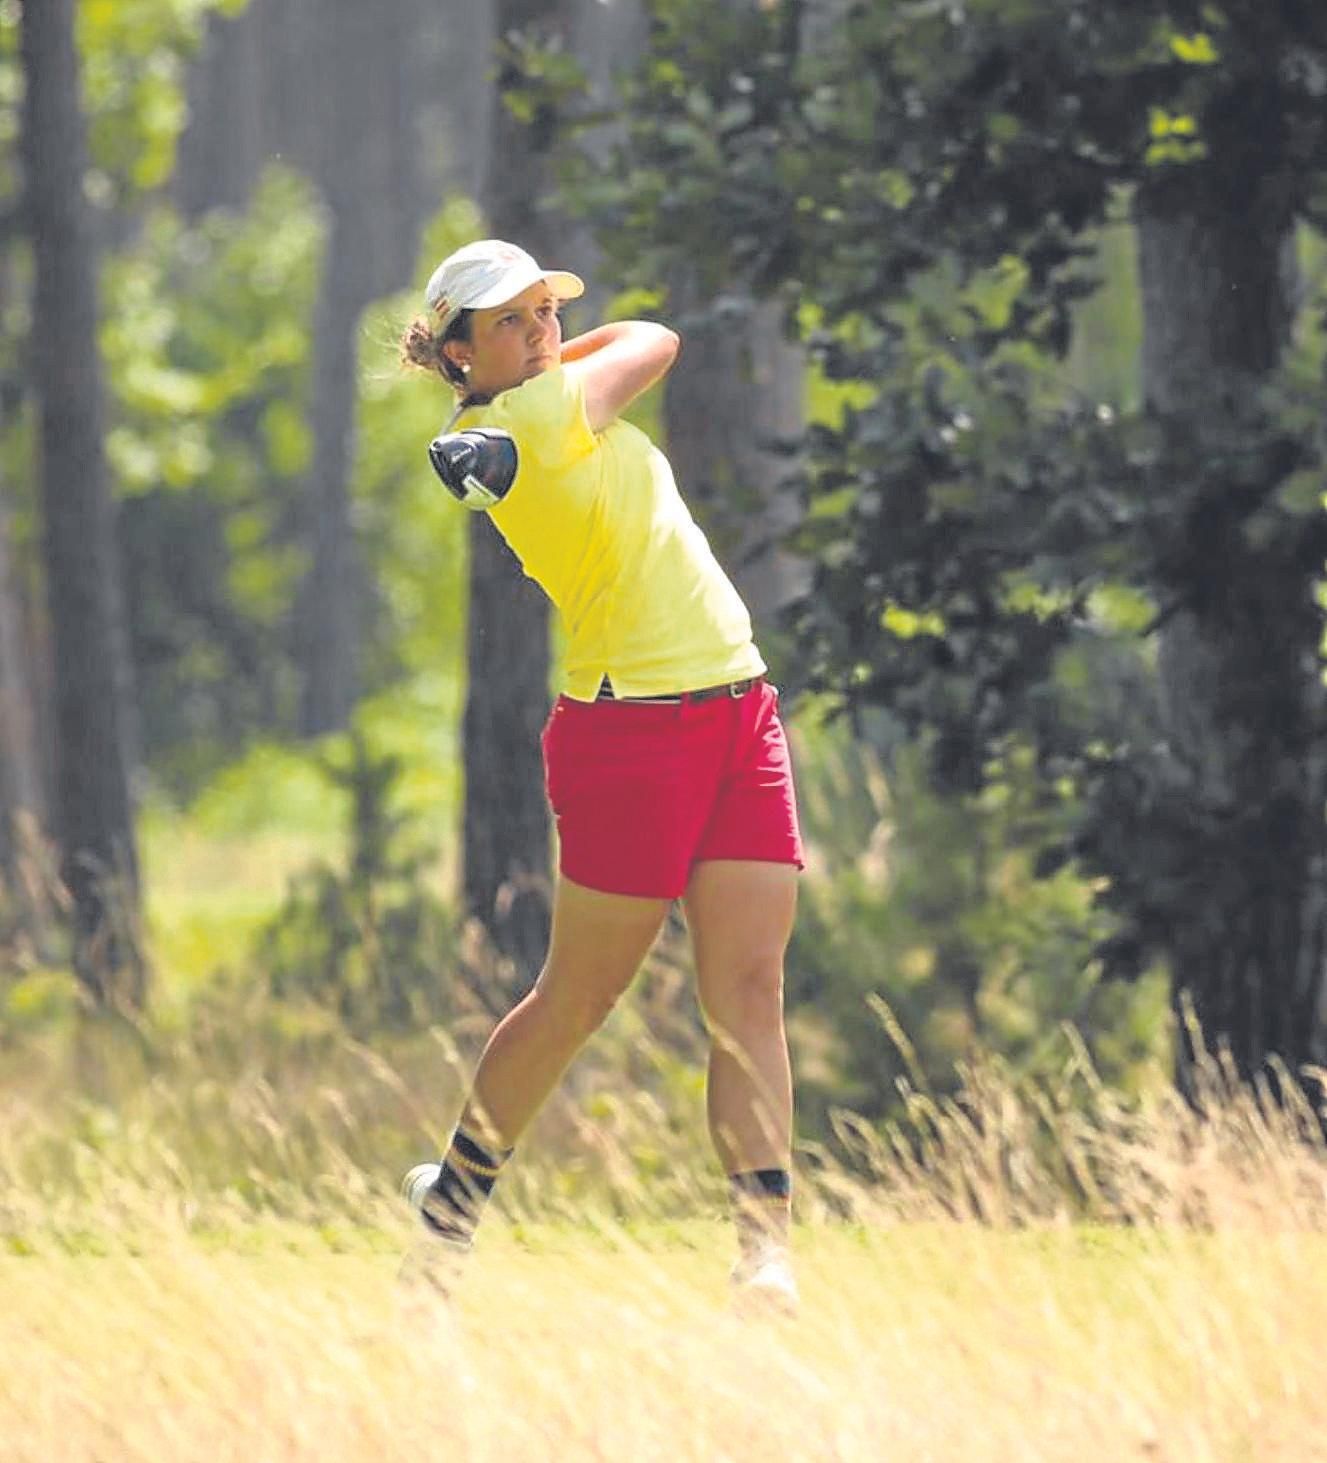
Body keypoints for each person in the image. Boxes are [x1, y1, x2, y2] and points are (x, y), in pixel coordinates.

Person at [398, 238, 805, 1315]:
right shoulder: (536, 419)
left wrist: (520, 377)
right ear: (457, 352)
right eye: (510, 321)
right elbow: (658, 337)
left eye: (544, 311)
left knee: (750, 988)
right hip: (632, 732)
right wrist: (527, 388)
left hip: (738, 704)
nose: (539, 330)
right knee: (575, 998)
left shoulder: (533, 408)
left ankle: (763, 1247)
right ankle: (450, 1211)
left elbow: (633, 344)